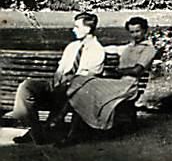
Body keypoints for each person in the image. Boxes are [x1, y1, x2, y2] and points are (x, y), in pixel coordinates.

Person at [11, 12, 105, 145]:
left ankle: (45, 131)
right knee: (26, 86)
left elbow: (87, 78)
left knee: (72, 88)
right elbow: (60, 70)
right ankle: (37, 131)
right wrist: (54, 84)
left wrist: (64, 84)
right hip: (56, 86)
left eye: (76, 27)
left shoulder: (97, 50)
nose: (73, 30)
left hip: (75, 92)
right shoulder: (72, 47)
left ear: (87, 29)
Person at [64, 16, 158, 140]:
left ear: (145, 31)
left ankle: (68, 128)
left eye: (138, 31)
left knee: (85, 84)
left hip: (128, 86)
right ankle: (71, 129)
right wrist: (94, 48)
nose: (135, 35)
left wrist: (117, 71)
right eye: (132, 32)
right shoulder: (129, 47)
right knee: (82, 83)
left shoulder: (149, 49)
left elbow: (137, 70)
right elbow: (112, 49)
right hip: (117, 83)